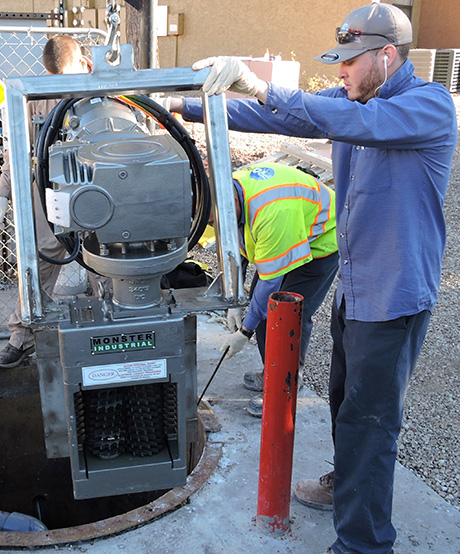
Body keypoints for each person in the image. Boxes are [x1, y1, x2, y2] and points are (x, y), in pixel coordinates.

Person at [163, 2, 457, 553]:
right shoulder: (354, 99)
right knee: (349, 405)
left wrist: (260, 82)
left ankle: (364, 543)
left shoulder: (428, 106)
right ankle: (345, 485)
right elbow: (284, 117)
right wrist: (181, 106)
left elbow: (359, 125)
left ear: (387, 56)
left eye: (350, 61)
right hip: (357, 287)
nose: (341, 72)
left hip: (394, 298)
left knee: (372, 424)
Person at [0, 35, 91, 368]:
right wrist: (3, 192)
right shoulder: (33, 95)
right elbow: (18, 148)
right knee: (42, 263)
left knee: (106, 266)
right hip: (54, 196)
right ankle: (22, 336)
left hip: (96, 193)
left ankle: (114, 332)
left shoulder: (102, 89)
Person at [222, 162, 339, 418]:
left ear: (233, 205)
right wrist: (235, 300)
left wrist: (244, 332)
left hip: (320, 245)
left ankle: (285, 390)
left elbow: (270, 285)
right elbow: (234, 247)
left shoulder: (271, 212)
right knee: (262, 311)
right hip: (287, 233)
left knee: (288, 318)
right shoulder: (225, 190)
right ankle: (271, 374)